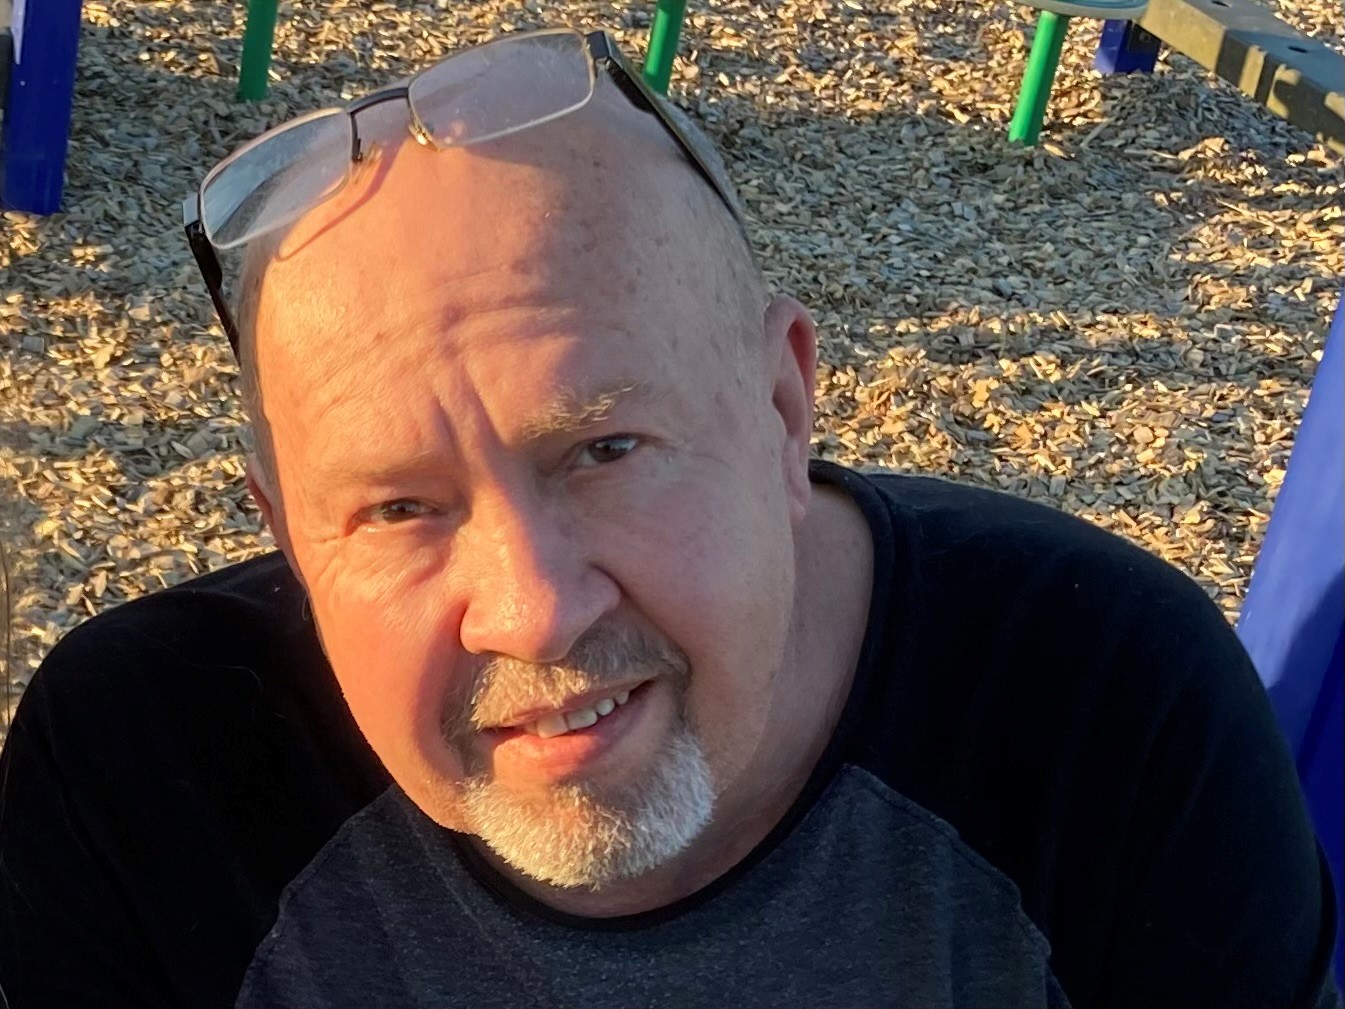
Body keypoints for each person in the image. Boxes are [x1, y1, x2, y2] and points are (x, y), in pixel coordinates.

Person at [0, 27, 1338, 1009]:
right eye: (399, 506)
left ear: (783, 405)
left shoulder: (1099, 708)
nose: (533, 607)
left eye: (604, 449)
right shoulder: (148, 776)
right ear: (290, 536)